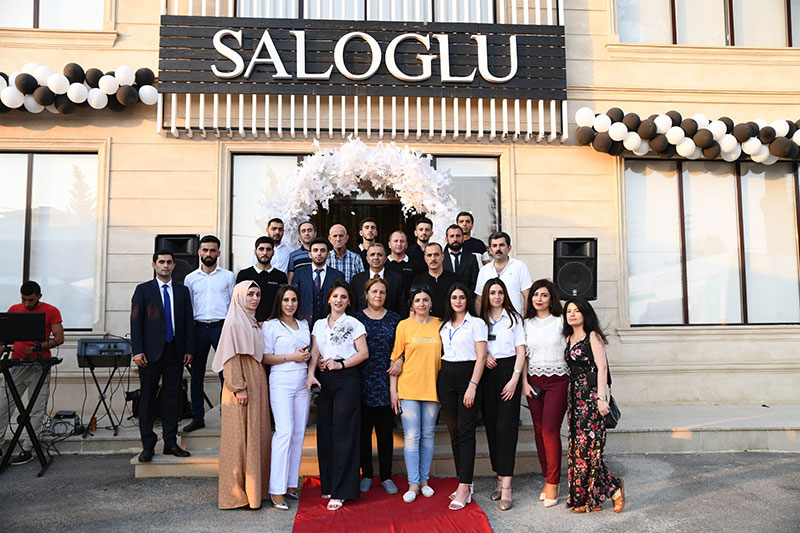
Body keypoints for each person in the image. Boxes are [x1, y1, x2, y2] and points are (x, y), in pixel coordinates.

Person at [307, 280, 369, 511]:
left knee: (344, 433)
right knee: (326, 432)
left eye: (344, 297)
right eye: (335, 296)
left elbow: (363, 353)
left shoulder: (354, 324)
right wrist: (311, 375)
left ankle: (342, 491)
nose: (339, 300)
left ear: (349, 301)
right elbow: (315, 352)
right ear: (329, 299)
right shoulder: (319, 324)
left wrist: (340, 364)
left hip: (346, 379)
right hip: (324, 379)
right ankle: (329, 484)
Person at [130, 250, 194, 463]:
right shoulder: (143, 290)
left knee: (172, 398)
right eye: (161, 262)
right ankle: (148, 445)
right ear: (154, 265)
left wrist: (189, 349)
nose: (165, 265)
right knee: (147, 398)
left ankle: (170, 442)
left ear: (174, 265)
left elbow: (188, 322)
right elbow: (136, 322)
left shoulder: (182, 291)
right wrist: (138, 351)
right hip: (149, 354)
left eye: (169, 262)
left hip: (175, 351)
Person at [212, 281, 270, 510]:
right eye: (250, 294)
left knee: (255, 435)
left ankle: (255, 492)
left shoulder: (252, 322)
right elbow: (230, 357)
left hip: (256, 380)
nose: (255, 298)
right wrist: (238, 387)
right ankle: (236, 495)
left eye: (258, 294)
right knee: (238, 440)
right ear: (239, 296)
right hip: (241, 383)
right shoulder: (234, 322)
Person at [563, 297, 625, 514]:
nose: (572, 314)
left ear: (585, 313)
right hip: (574, 397)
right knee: (578, 450)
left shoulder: (593, 336)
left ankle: (614, 488)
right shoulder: (569, 338)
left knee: (590, 449)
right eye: (569, 311)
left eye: (576, 310)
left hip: (590, 398)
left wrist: (601, 399)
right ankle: (588, 499)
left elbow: (602, 368)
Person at [0, 281, 64, 465]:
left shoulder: (51, 311)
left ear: (39, 296)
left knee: (37, 408)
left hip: (39, 366)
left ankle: (28, 448)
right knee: (3, 405)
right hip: (16, 365)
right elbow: (4, 338)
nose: (27, 303)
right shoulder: (14, 309)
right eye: (24, 300)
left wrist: (39, 347)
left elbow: (59, 338)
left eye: (31, 300)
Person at [388, 286, 442, 504]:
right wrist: (393, 391)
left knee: (428, 435)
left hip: (432, 388)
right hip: (408, 387)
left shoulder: (440, 324)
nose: (421, 303)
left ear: (431, 303)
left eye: (425, 300)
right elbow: (395, 358)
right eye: (417, 300)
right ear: (411, 304)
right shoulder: (404, 325)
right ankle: (413, 484)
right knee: (412, 436)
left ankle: (424, 481)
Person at [437, 283, 487, 511]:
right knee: (454, 433)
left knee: (466, 432)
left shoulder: (477, 324)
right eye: (454, 297)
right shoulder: (444, 325)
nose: (458, 301)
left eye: (462, 297)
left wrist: (473, 385)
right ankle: (464, 482)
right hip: (446, 377)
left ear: (468, 300)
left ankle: (465, 486)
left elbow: (481, 356)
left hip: (468, 376)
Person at [262, 285, 312, 510]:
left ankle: (291, 484)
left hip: (302, 382)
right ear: (279, 302)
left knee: (298, 433)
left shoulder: (304, 324)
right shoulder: (271, 326)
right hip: (281, 381)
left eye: (293, 300)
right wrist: (291, 356)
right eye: (286, 300)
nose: (290, 304)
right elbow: (265, 357)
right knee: (285, 431)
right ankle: (276, 489)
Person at [479, 278, 526, 511]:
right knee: (492, 427)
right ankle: (499, 479)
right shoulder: (480, 321)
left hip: (509, 372)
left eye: (500, 292)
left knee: (507, 429)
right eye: (492, 293)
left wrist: (515, 379)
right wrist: (485, 355)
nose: (496, 297)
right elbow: (475, 345)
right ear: (486, 296)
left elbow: (521, 350)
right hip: (487, 373)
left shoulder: (514, 318)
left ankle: (507, 487)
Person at [522, 279, 568, 508]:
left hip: (558, 380)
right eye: (535, 295)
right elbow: (523, 356)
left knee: (550, 430)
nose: (538, 299)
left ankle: (553, 482)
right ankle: (547, 477)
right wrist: (523, 383)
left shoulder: (561, 321)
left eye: (544, 295)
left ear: (551, 299)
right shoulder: (525, 324)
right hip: (533, 382)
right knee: (539, 432)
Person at [183, 235, 235, 432]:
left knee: (226, 375)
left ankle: (227, 416)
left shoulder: (228, 276)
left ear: (218, 253)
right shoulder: (190, 278)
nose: (209, 254)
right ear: (199, 252)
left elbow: (233, 306)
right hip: (198, 329)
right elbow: (188, 308)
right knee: (197, 375)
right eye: (205, 250)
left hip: (221, 328)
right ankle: (198, 417)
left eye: (213, 250)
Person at [354, 278, 401, 495]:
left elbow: (402, 347)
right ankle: (366, 475)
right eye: (374, 291)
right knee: (363, 433)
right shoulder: (356, 319)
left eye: (382, 292)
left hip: (386, 382)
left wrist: (400, 361)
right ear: (366, 294)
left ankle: (386, 476)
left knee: (385, 433)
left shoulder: (394, 319)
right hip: (362, 382)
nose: (378, 296)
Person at [475, 232, 532, 316]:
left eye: (501, 245)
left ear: (509, 248)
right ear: (490, 250)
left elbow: (527, 296)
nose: (498, 249)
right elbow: (479, 299)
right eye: (494, 246)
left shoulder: (519, 266)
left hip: (514, 320)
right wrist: (479, 320)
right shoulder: (484, 270)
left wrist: (526, 319)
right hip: (490, 321)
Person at [294, 238, 345, 324]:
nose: (319, 253)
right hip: (304, 323)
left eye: (322, 250)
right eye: (315, 250)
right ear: (310, 254)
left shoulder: (338, 275)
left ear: (328, 255)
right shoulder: (299, 273)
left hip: (330, 323)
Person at [237, 237, 288, 323]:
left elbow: (282, 302)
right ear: (255, 252)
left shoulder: (281, 276)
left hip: (274, 324)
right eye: (261, 249)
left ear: (273, 252)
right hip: (249, 323)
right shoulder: (244, 275)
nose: (265, 253)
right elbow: (238, 302)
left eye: (268, 249)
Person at [350, 243, 404, 315]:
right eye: (372, 255)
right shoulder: (357, 279)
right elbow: (353, 305)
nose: (376, 257)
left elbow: (402, 306)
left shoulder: (397, 279)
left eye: (379, 255)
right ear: (367, 259)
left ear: (385, 259)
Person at [411, 243, 461, 318]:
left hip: (450, 322)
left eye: (436, 255)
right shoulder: (418, 280)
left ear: (442, 256)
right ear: (425, 258)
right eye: (429, 255)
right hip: (426, 323)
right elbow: (413, 308)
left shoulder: (455, 279)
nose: (433, 258)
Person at [385, 229, 424, 305]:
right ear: (389, 244)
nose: (399, 244)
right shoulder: (383, 264)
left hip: (409, 306)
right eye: (395, 241)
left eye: (402, 241)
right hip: (387, 307)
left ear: (406, 245)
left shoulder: (415, 265)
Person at [442, 224, 480, 293]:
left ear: (463, 239)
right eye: (452, 236)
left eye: (458, 236)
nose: (455, 239)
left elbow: (475, 282)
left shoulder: (472, 258)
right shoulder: (441, 258)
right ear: (446, 239)